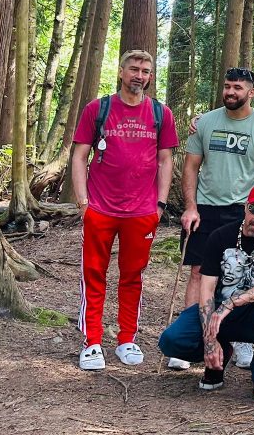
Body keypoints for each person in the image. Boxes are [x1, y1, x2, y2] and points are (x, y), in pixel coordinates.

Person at [70, 49, 177, 371]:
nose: (139, 75)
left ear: (150, 76)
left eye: (145, 70)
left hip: (142, 211)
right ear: (121, 71)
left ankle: (127, 338)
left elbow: (165, 160)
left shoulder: (160, 113)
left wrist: (159, 204)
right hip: (100, 208)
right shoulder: (98, 109)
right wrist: (83, 202)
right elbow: (79, 156)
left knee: (133, 277)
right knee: (94, 274)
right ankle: (92, 342)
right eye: (134, 69)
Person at [175, 67, 254, 370]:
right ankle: (191, 339)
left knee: (247, 273)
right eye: (227, 86)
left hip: (243, 210)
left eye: (237, 88)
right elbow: (191, 167)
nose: (231, 92)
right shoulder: (206, 123)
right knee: (198, 272)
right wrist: (190, 206)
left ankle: (243, 340)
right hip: (206, 208)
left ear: (251, 93)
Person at [158, 183, 254, 403]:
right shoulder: (220, 236)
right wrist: (210, 341)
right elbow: (207, 289)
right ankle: (219, 356)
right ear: (245, 208)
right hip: (219, 314)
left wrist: (233, 303)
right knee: (171, 341)